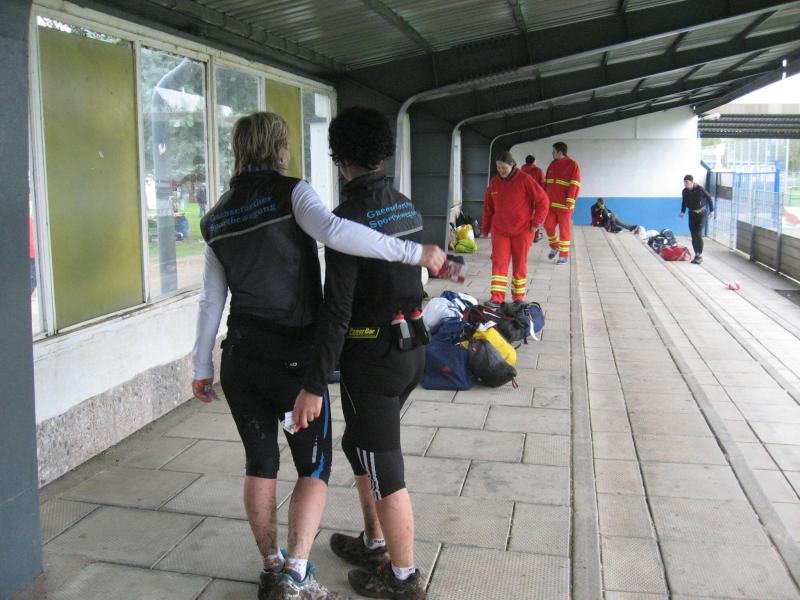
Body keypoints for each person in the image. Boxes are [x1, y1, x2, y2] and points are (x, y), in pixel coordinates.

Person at [190, 111, 446, 600]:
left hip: (245, 356)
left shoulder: (215, 218)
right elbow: (337, 235)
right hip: (327, 355)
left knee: (264, 462)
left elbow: (212, 300)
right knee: (326, 462)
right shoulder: (303, 194)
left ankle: (283, 568)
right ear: (280, 149)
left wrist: (201, 365)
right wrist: (414, 254)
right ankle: (308, 568)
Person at [295, 106, 429, 600]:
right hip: (410, 350)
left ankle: (403, 577)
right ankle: (374, 542)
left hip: (371, 360)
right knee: (361, 446)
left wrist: (313, 383)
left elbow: (337, 311)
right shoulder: (405, 206)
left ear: (339, 157)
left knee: (383, 463)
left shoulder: (346, 221)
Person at [481, 151, 549, 308]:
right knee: (499, 263)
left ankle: (518, 297)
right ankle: (496, 298)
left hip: (522, 231)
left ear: (512, 165)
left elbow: (543, 201)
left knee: (520, 264)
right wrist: (485, 228)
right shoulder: (495, 183)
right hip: (500, 231)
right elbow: (488, 207)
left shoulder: (525, 179)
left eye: (504, 167)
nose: (501, 171)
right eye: (498, 167)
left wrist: (536, 223)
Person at [544, 142, 581, 264]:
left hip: (564, 206)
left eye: (553, 151)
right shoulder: (552, 164)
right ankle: (555, 246)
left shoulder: (573, 165)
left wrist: (569, 202)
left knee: (564, 231)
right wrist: (543, 199)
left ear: (560, 152)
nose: (552, 153)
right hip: (550, 204)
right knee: (548, 225)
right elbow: (547, 182)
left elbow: (575, 184)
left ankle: (563, 256)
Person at [679, 174, 714, 264]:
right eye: (684, 182)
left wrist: (712, 210)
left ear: (692, 182)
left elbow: (709, 198)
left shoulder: (700, 189)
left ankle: (700, 254)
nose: (685, 184)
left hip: (701, 214)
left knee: (698, 233)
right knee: (693, 234)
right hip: (692, 214)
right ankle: (696, 254)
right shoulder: (685, 191)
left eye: (687, 182)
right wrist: (682, 211)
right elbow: (684, 201)